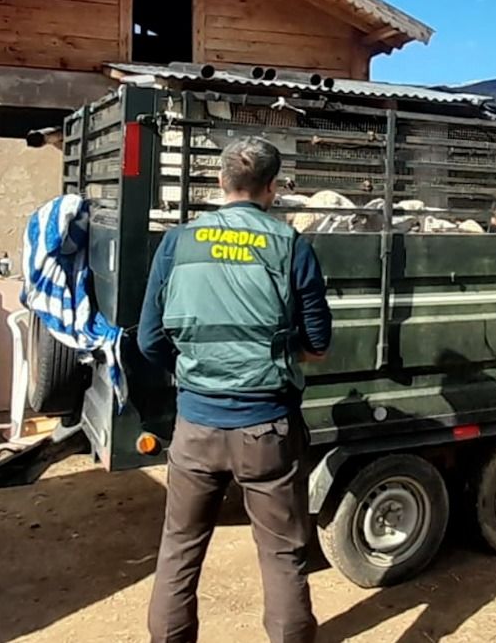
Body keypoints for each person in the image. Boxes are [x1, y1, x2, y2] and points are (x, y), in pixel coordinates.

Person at [138, 136, 332, 643]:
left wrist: (189, 375)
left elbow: (149, 340)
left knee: (179, 550)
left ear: (221, 182)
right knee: (283, 554)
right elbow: (318, 345)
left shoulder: (178, 242)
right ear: (272, 188)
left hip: (196, 426)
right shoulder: (291, 246)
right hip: (267, 428)